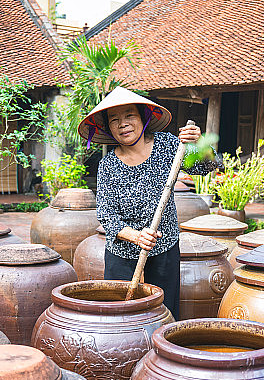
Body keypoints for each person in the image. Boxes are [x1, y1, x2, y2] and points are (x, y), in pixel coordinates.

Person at [78, 87, 218, 319]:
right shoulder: (108, 166)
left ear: (143, 118)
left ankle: (161, 352)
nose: (123, 124)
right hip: (122, 251)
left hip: (164, 247)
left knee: (164, 309)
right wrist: (136, 236)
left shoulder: (167, 145)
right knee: (119, 313)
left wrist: (199, 142)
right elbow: (106, 215)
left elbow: (206, 167)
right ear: (108, 128)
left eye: (129, 116)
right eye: (115, 120)